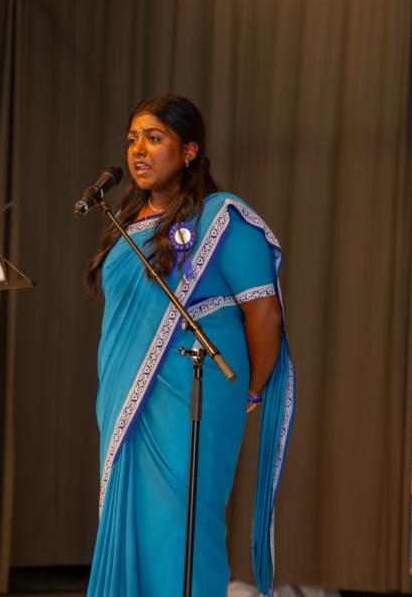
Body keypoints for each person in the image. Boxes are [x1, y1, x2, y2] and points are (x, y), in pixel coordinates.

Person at [84, 95, 295, 596]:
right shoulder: (126, 225)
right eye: (133, 139)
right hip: (124, 401)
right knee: (135, 526)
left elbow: (264, 315)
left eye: (154, 138)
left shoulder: (221, 219)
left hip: (194, 397)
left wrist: (250, 391)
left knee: (181, 528)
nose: (138, 150)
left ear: (189, 151)